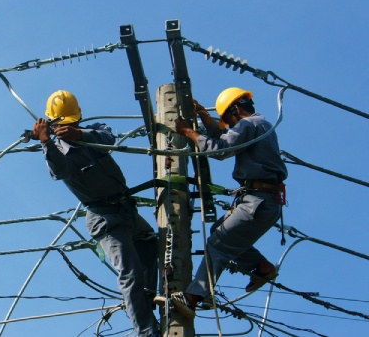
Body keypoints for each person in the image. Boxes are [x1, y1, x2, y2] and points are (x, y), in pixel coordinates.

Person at [31, 90, 160, 337]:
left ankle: (149, 303)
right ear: (54, 123)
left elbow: (108, 138)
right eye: (65, 123)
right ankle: (146, 332)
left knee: (150, 245)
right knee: (129, 273)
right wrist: (46, 142)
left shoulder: (94, 132)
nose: (71, 126)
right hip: (105, 218)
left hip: (126, 210)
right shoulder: (57, 152)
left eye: (73, 122)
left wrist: (80, 134)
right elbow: (59, 172)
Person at [172, 87, 288, 319]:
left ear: (236, 109)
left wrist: (188, 132)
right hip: (265, 201)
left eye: (227, 119)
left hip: (257, 200)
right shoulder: (259, 124)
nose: (227, 125)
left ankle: (194, 297)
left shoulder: (248, 125)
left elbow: (222, 148)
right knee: (221, 233)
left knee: (218, 244)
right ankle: (263, 268)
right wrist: (204, 115)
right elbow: (224, 136)